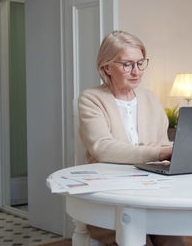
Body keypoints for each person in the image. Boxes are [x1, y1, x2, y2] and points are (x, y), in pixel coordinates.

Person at [78, 30, 184, 246]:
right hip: (109, 199)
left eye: (140, 63)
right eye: (127, 64)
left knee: (175, 243)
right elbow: (103, 148)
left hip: (152, 196)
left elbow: (163, 143)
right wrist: (155, 151)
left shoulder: (150, 98)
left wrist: (160, 149)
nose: (136, 71)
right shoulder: (91, 99)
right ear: (107, 67)